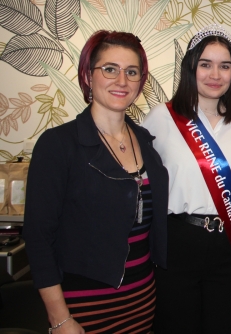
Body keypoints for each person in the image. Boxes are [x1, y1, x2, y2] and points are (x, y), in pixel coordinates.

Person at [24, 31, 168, 333]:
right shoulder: (58, 145)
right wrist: (60, 318)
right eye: (110, 69)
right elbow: (38, 239)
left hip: (142, 302)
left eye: (132, 72)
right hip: (84, 307)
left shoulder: (145, 142)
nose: (122, 81)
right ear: (89, 76)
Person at [142, 23, 231, 333]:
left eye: (225, 66)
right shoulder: (161, 117)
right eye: (205, 64)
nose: (215, 74)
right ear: (191, 67)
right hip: (179, 240)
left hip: (228, 242)